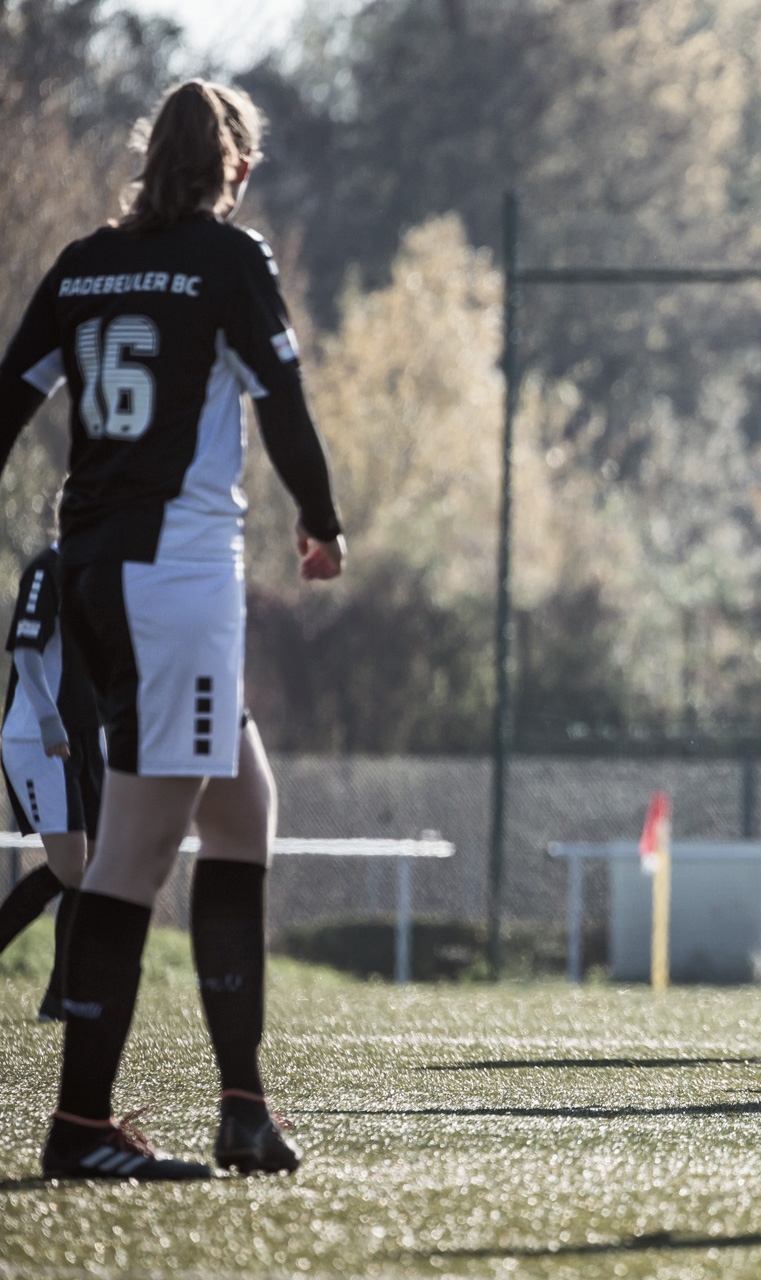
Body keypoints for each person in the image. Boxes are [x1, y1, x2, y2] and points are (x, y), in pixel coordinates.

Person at [0, 79, 345, 1181]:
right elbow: (282, 402)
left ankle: (244, 1107)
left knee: (243, 813)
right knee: (141, 847)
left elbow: (7, 399)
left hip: (94, 563)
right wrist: (323, 522)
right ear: (236, 168)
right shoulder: (228, 261)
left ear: (150, 157)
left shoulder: (85, 261)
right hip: (174, 577)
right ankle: (82, 1123)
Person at [0, 544, 106, 1022]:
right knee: (72, 867)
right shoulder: (49, 567)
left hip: (86, 736)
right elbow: (26, 649)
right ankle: (60, 997)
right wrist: (47, 717)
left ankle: (59, 999)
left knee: (97, 864)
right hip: (43, 736)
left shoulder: (109, 569)